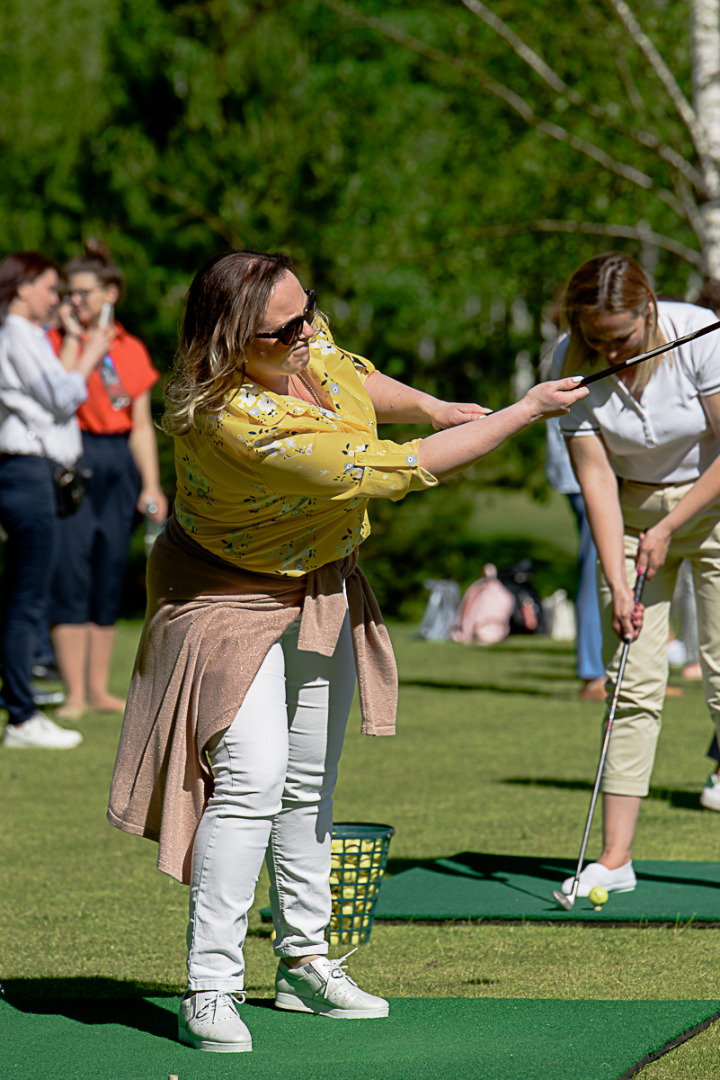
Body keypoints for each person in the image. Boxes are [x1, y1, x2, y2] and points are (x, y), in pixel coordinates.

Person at [107, 249, 587, 1053]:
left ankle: (302, 962)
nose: (303, 332)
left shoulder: (300, 338)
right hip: (223, 595)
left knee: (307, 781)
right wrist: (526, 409)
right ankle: (210, 986)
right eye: (281, 329)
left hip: (317, 582)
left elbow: (354, 377)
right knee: (252, 776)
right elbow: (404, 469)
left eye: (307, 311)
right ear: (230, 342)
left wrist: (432, 403)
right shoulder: (239, 421)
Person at [552, 251, 720, 897]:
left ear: (648, 311)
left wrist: (671, 526)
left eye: (619, 338)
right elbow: (593, 474)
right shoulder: (567, 361)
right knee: (630, 686)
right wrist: (619, 583)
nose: (608, 352)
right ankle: (616, 859)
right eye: (595, 340)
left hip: (711, 506)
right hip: (626, 516)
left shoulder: (700, 338)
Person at [47, 240, 167, 719]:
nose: (74, 301)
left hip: (118, 459)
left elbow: (139, 423)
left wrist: (151, 485)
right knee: (70, 572)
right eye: (68, 293)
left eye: (83, 292)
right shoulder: (56, 341)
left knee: (107, 572)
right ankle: (73, 692)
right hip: (73, 455)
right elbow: (59, 393)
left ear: (110, 292)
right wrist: (76, 337)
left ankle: (98, 689)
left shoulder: (130, 348)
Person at [0, 251, 112, 748]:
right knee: (27, 597)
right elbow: (64, 397)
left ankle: (21, 705)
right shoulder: (16, 333)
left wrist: (72, 341)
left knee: (26, 595)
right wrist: (91, 352)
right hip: (25, 471)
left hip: (34, 472)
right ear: (22, 287)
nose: (57, 297)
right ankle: (21, 716)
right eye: (48, 287)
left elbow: (56, 386)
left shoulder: (29, 336)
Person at [545, 417, 606, 700]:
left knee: (609, 563)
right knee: (600, 564)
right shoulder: (570, 371)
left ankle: (620, 672)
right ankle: (594, 673)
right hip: (587, 473)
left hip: (594, 471)